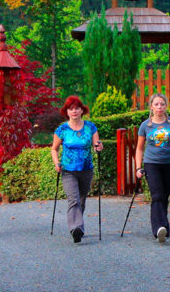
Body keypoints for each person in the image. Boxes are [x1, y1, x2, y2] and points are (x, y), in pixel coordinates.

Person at [135, 93, 170, 243]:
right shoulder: (145, 125)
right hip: (151, 164)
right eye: (156, 104)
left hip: (169, 164)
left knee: (164, 195)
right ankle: (158, 228)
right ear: (151, 107)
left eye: (162, 104)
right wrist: (138, 168)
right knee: (157, 194)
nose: (159, 107)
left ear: (166, 106)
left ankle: (164, 227)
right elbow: (139, 149)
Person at [51, 96, 103, 243]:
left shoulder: (90, 127)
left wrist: (99, 146)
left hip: (86, 169)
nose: (74, 111)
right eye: (71, 109)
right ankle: (76, 228)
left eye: (77, 108)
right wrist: (57, 163)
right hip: (68, 170)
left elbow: (96, 144)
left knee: (81, 199)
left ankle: (77, 225)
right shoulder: (62, 129)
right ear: (66, 112)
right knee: (73, 199)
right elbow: (54, 149)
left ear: (82, 110)